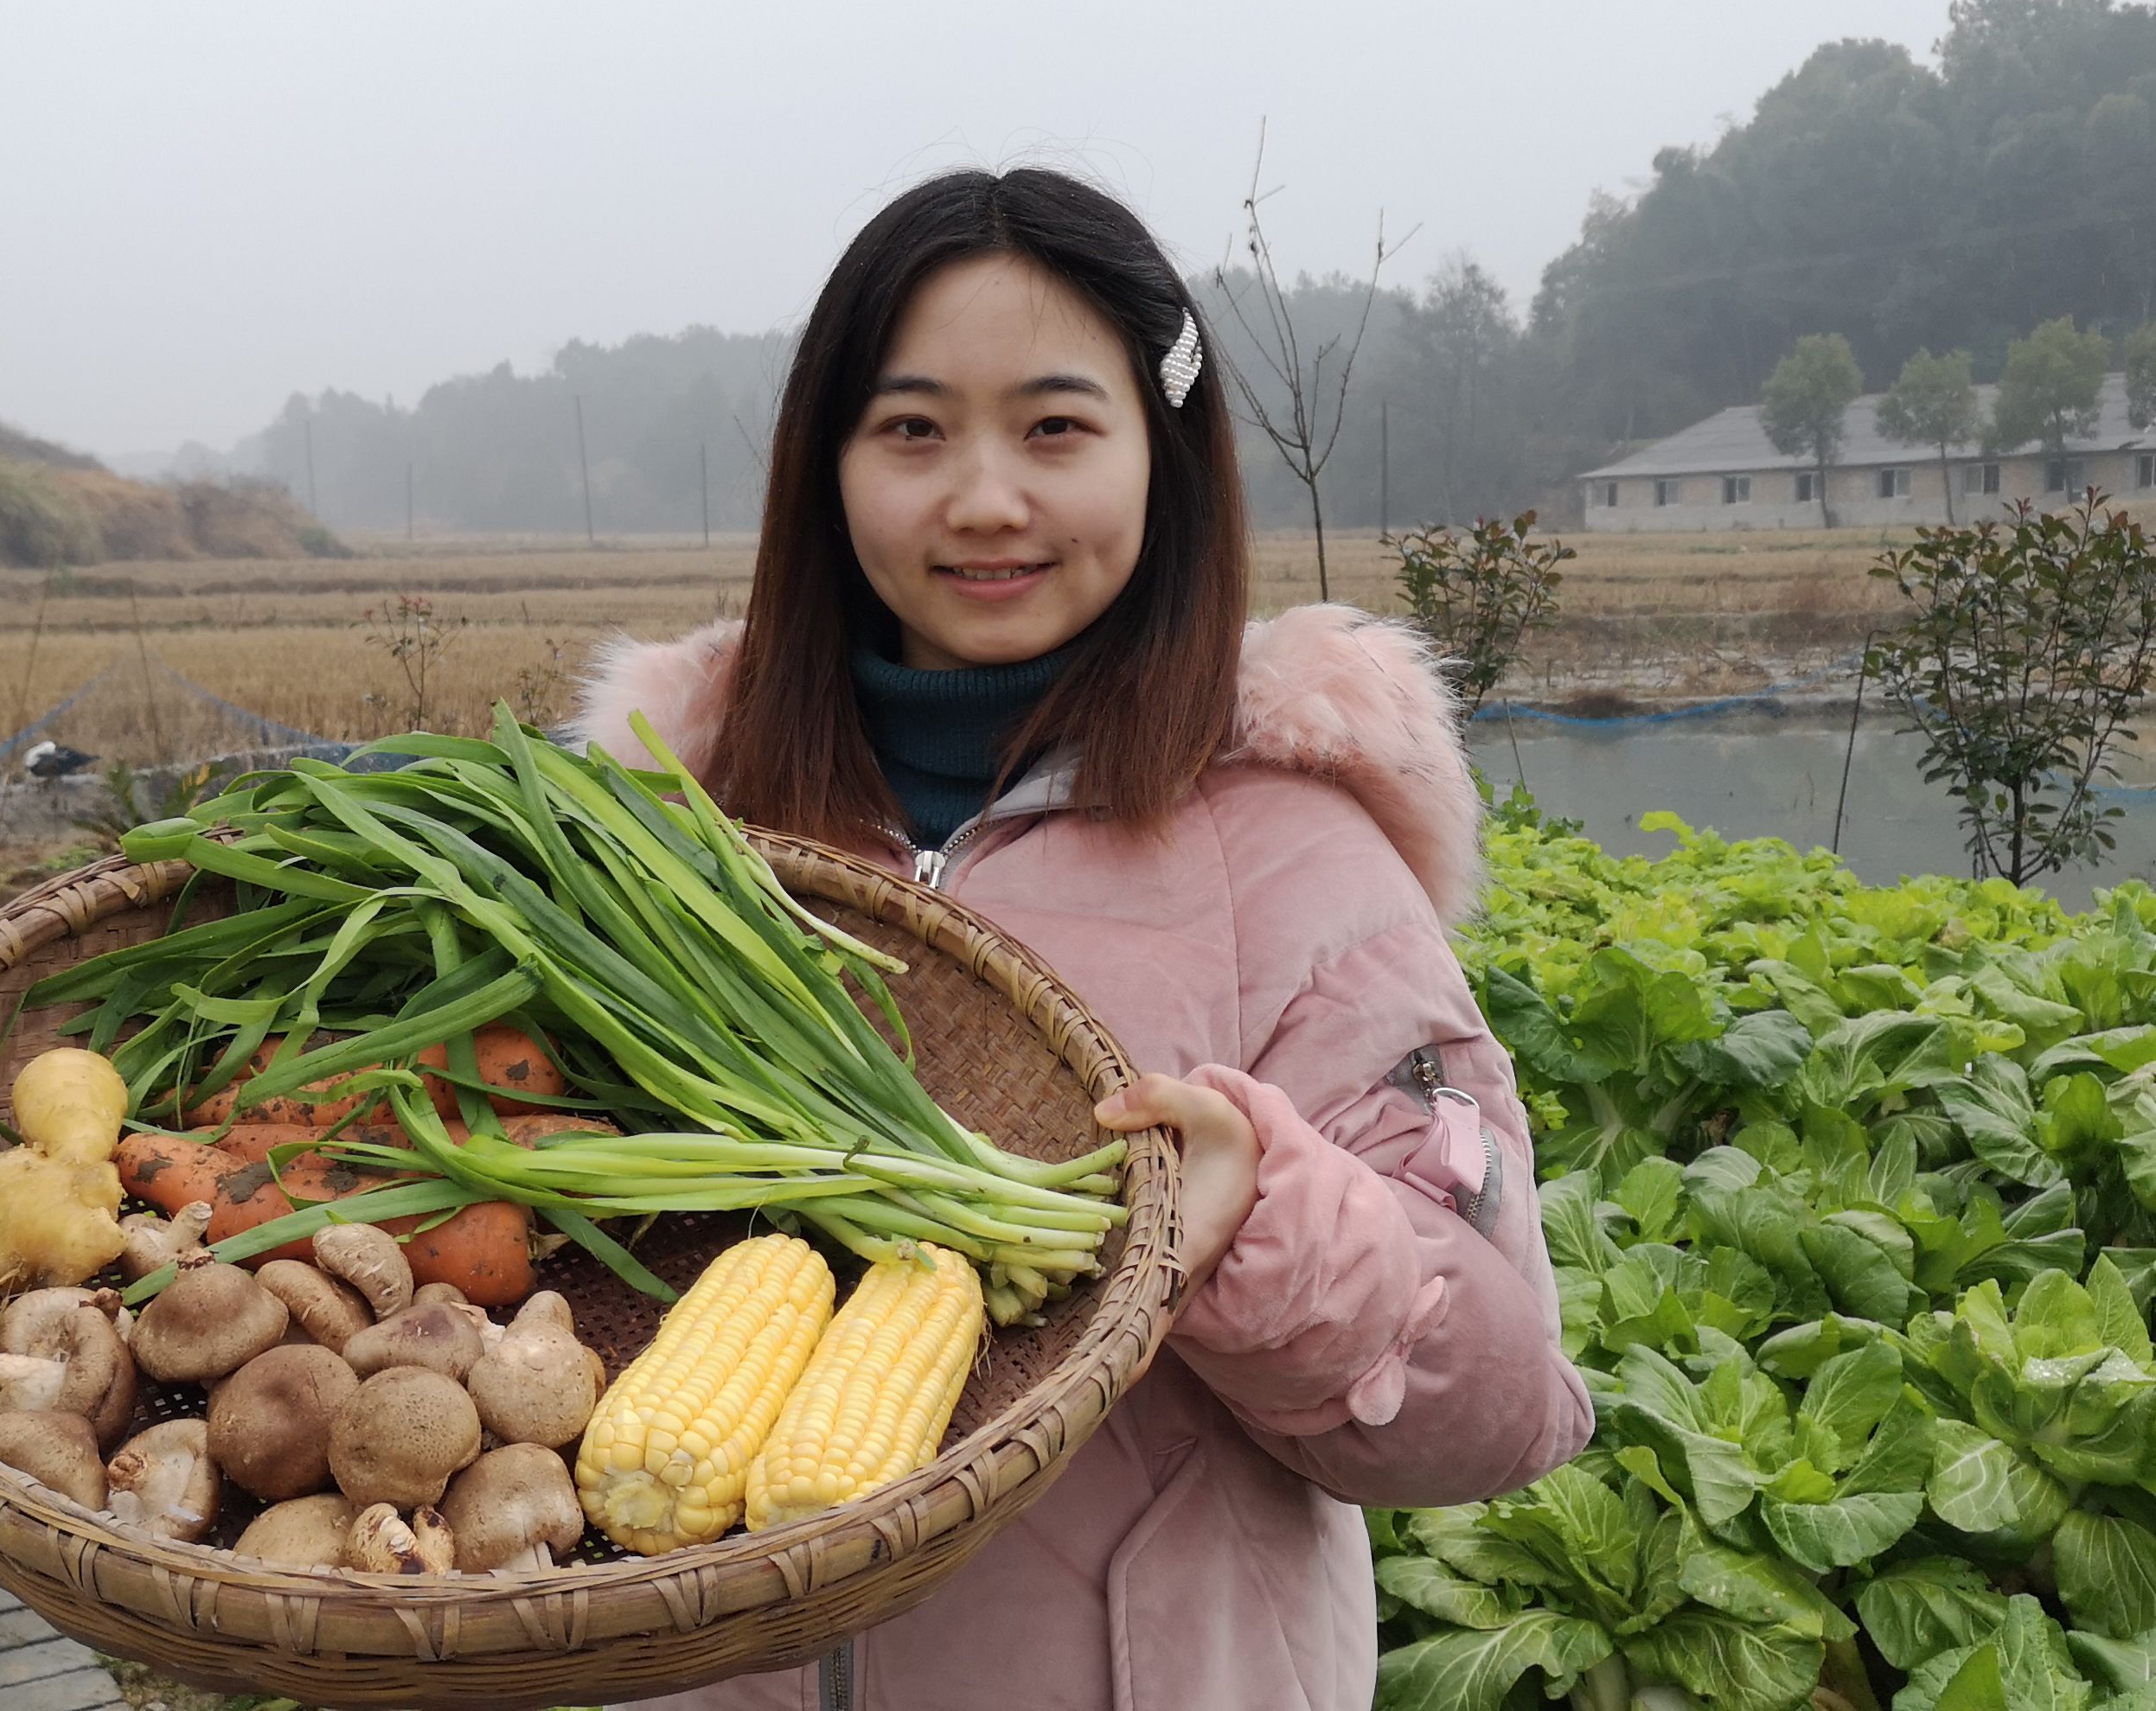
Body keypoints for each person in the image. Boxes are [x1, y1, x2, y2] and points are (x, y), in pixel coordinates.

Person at [566, 167, 1591, 1711]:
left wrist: (1257, 1233)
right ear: (825, 467)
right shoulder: (661, 843)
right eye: (911, 429)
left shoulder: (1295, 856)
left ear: (1160, 455)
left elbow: (1499, 1413)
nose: (984, 498)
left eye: (1055, 427)